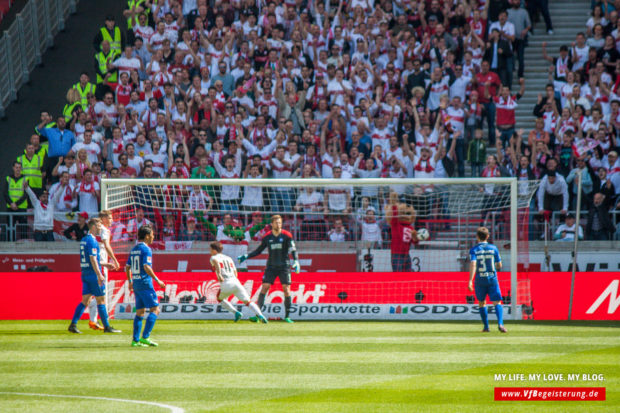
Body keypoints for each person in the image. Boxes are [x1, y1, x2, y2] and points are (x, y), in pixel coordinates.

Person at [238, 215, 300, 323]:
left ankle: (287, 316)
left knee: (286, 290)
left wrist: (296, 261)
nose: (278, 225)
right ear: (272, 224)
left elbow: (293, 249)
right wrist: (246, 256)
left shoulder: (287, 235)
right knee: (264, 288)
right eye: (276, 223)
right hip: (271, 266)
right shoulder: (267, 237)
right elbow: (258, 251)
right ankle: (258, 316)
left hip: (284, 266)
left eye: (280, 223)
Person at [68, 218, 121, 334]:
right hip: (93, 275)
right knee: (101, 300)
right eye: (98, 225)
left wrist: (105, 264)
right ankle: (107, 327)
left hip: (85, 273)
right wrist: (99, 274)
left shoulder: (84, 240)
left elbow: (91, 260)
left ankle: (73, 324)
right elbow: (93, 259)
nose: (100, 227)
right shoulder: (92, 241)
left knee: (85, 301)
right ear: (93, 226)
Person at [126, 225, 165, 347]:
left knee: (140, 313)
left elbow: (127, 267)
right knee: (155, 309)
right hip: (145, 283)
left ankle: (135, 340)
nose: (153, 237)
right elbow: (146, 267)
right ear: (147, 236)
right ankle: (145, 337)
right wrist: (158, 280)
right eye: (152, 235)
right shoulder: (146, 250)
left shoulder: (134, 249)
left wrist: (130, 281)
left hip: (136, 283)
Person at [209, 241, 267, 323]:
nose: (210, 252)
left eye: (211, 250)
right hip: (236, 282)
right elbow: (235, 273)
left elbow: (217, 265)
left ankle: (236, 313)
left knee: (219, 298)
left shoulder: (213, 257)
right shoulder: (228, 258)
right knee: (248, 302)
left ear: (214, 250)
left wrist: (219, 275)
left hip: (226, 282)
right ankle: (261, 315)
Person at [467, 227, 507, 333]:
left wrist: (470, 280)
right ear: (488, 236)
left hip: (480, 280)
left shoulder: (474, 250)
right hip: (492, 279)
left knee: (481, 302)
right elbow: (499, 265)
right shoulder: (494, 248)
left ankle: (486, 327)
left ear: (477, 237)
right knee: (497, 302)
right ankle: (500, 324)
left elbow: (473, 264)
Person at [386, 192, 420, 272]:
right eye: (402, 213)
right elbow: (394, 216)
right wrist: (394, 205)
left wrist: (415, 237)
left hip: (406, 255)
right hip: (396, 255)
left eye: (408, 213)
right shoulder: (396, 224)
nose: (405, 215)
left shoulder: (411, 228)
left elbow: (415, 242)